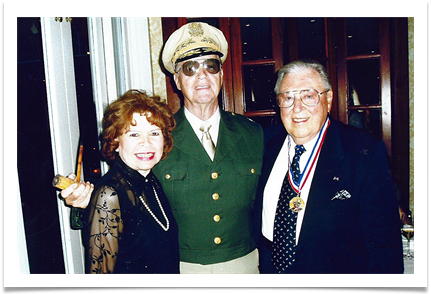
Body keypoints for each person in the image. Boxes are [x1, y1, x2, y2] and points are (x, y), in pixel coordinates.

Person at [62, 22, 263, 274]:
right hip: (181, 266)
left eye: (211, 66)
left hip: (243, 263)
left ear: (221, 75)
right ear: (177, 80)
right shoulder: (159, 135)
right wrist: (82, 204)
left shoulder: (253, 133)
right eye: (190, 68)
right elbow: (122, 186)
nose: (202, 76)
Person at [254, 59, 404, 274]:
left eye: (308, 96)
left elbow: (384, 247)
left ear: (329, 98)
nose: (297, 108)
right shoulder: (263, 144)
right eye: (288, 97)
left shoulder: (364, 153)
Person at [84, 89, 179, 273]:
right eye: (134, 134)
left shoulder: (151, 181)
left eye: (154, 133)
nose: (146, 142)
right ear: (116, 141)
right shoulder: (109, 194)